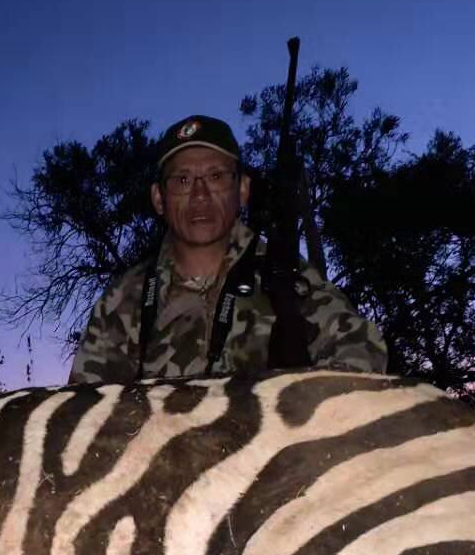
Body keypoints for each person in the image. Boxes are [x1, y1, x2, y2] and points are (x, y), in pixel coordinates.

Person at [69, 114, 387, 384]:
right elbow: (86, 411)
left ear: (243, 190)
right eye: (182, 180)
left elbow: (363, 352)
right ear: (158, 198)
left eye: (217, 176)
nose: (200, 195)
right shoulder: (124, 301)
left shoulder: (287, 278)